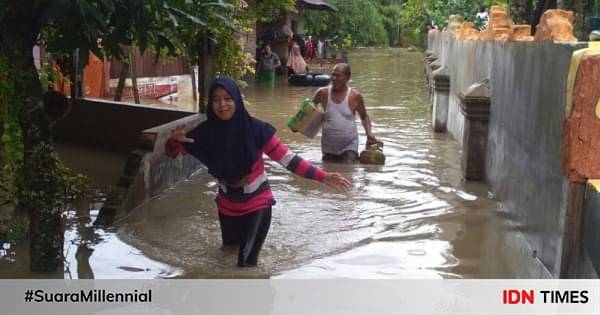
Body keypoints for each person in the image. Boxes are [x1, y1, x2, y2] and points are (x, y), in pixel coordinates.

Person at [165, 77, 351, 267]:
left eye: (228, 98)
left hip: (257, 205)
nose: (222, 105)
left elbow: (289, 160)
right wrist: (173, 141)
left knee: (245, 264)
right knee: (226, 255)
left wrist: (323, 176)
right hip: (226, 206)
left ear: (237, 99)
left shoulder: (257, 130)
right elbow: (172, 153)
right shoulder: (203, 134)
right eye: (216, 100)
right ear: (210, 103)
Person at [312, 63, 378, 163]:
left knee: (348, 171)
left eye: (337, 75)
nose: (334, 78)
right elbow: (309, 109)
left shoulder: (355, 96)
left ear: (347, 77)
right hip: (328, 147)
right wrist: (299, 125)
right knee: (328, 173)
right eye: (332, 74)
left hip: (349, 146)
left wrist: (369, 133)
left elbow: (364, 117)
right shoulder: (322, 93)